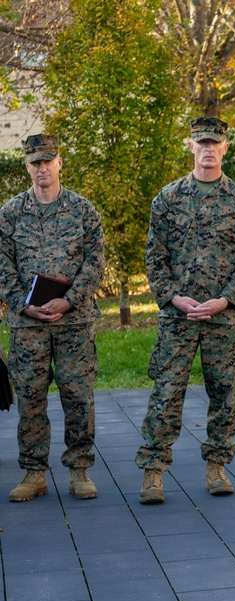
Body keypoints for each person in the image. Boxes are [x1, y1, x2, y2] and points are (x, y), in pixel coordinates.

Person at [136, 117, 235, 505]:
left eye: (215, 142)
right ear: (190, 146)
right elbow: (155, 257)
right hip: (178, 316)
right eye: (201, 141)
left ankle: (217, 465)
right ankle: (154, 471)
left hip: (225, 317)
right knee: (166, 392)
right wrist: (173, 297)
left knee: (224, 394)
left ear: (225, 147)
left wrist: (225, 299)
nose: (208, 148)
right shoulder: (168, 198)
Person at [0, 134, 106, 502]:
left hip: (73, 321)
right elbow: (2, 266)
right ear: (27, 166)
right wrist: (22, 303)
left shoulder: (83, 211)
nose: (42, 168)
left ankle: (79, 470)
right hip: (27, 325)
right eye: (35, 162)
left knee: (78, 395)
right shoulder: (10, 213)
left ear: (60, 162)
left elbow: (95, 263)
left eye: (48, 161)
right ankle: (34, 473)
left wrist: (70, 300)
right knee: (30, 398)